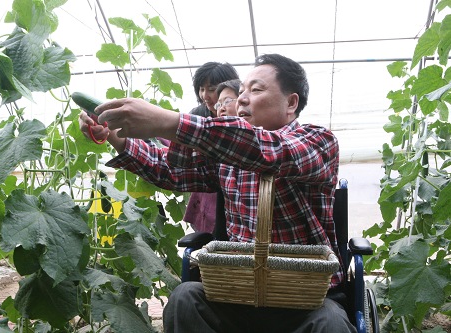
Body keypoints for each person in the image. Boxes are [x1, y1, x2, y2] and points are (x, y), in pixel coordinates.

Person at [78, 53, 356, 333]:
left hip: (309, 300)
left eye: (256, 90)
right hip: (238, 295)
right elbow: (167, 169)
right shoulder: (225, 159)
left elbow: (269, 152)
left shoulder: (319, 141)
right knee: (185, 299)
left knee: (331, 322)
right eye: (243, 91)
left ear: (291, 103)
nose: (242, 99)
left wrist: (170, 123)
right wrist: (117, 138)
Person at [183, 62, 239, 235]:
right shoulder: (197, 114)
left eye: (211, 89)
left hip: (232, 191)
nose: (204, 95)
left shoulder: (241, 120)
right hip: (207, 189)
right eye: (201, 89)